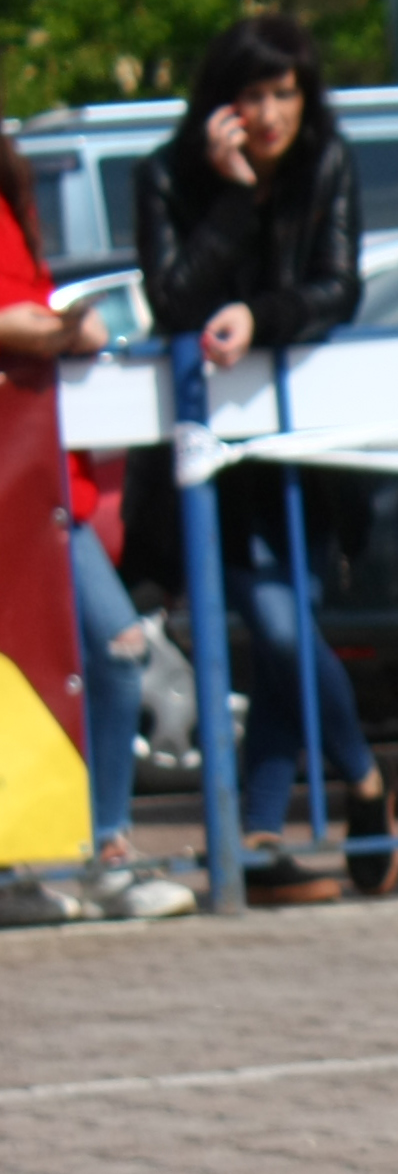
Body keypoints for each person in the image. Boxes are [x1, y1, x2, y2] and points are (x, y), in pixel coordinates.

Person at [136, 14, 397, 907]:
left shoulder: (327, 161)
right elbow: (172, 299)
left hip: (305, 452)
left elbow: (337, 288)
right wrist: (234, 200)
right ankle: (365, 776)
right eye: (252, 95)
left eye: (286, 93)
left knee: (293, 645)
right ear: (220, 105)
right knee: (281, 635)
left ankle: (257, 841)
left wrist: (262, 318)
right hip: (214, 462)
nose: (272, 113)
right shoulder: (167, 175)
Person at [0, 128, 194, 921]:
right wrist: (67, 331)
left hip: (35, 479)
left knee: (115, 647)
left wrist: (66, 330)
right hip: (19, 482)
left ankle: (103, 849)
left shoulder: (11, 202)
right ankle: (43, 863)